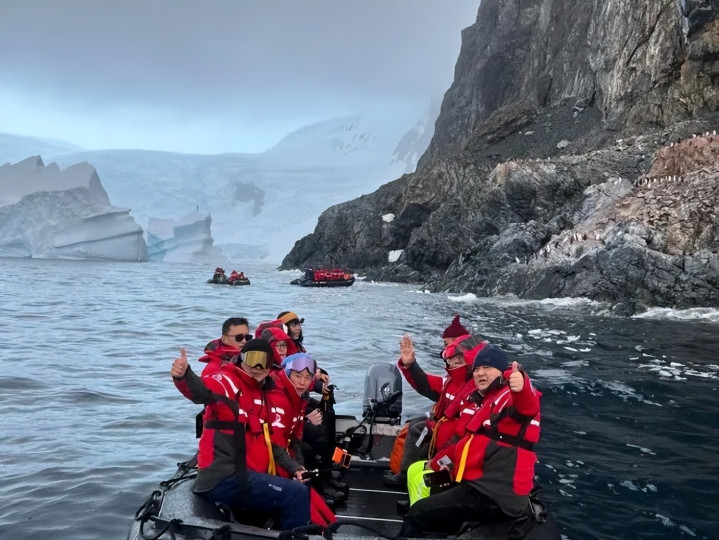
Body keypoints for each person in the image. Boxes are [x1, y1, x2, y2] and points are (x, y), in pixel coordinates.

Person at [397, 345, 542, 537]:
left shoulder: (508, 396)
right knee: (425, 491)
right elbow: (468, 441)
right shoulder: (486, 400)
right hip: (475, 482)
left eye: (487, 368)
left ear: (502, 371)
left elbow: (527, 407)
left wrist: (521, 387)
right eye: (477, 369)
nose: (480, 373)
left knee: (419, 512)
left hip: (495, 494)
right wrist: (440, 462)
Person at [170, 339, 311, 530]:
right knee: (296, 494)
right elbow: (201, 390)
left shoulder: (263, 395)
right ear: (242, 359)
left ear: (271, 366)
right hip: (224, 478)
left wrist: (295, 468)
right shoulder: (228, 382)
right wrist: (184, 376)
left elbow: (270, 442)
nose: (258, 367)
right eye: (253, 359)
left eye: (264, 361)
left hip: (248, 475)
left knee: (299, 486)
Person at [384, 316, 485, 487]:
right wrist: (411, 366)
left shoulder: (474, 384)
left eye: (447, 345)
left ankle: (413, 476)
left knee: (419, 430)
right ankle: (410, 473)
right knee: (416, 425)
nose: (447, 353)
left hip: (458, 438)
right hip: (446, 427)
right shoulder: (454, 379)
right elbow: (428, 386)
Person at [277, 310, 348, 503]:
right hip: (291, 413)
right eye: (292, 325)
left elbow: (304, 376)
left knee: (328, 413)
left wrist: (318, 383)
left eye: (298, 324)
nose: (297, 328)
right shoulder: (276, 362)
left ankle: (328, 468)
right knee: (316, 436)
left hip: (299, 403)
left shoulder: (296, 348)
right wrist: (302, 418)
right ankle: (321, 482)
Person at [267, 353, 337, 524]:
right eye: (297, 376)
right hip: (268, 457)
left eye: (307, 378)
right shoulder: (278, 397)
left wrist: (300, 466)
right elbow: (274, 444)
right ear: (287, 374)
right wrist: (295, 468)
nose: (302, 382)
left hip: (284, 450)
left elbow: (295, 437)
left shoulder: (299, 397)